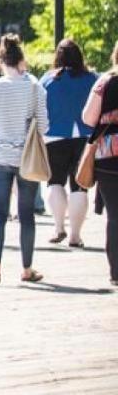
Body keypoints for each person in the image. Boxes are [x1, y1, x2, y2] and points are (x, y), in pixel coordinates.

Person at [0, 34, 48, 286]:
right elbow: (44, 126)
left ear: (1, 61)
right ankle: (27, 269)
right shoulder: (35, 86)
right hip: (26, 158)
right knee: (26, 214)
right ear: (21, 60)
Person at [40, 38, 98, 247]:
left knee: (54, 182)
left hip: (54, 136)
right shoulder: (91, 79)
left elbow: (39, 110)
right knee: (79, 186)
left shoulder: (47, 80)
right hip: (85, 137)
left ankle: (58, 227)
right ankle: (75, 235)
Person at [81, 41, 118, 285]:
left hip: (108, 157)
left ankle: (116, 272)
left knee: (115, 217)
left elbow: (87, 117)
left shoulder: (105, 81)